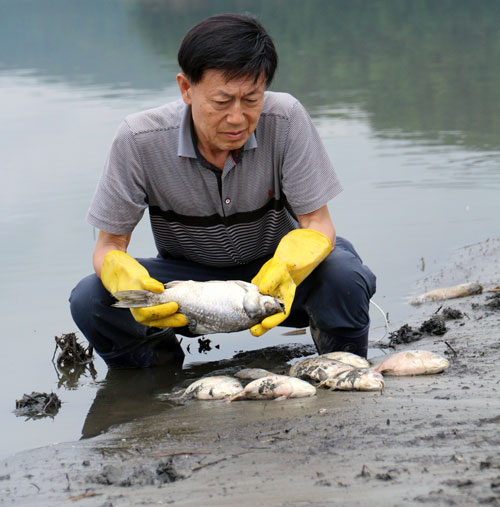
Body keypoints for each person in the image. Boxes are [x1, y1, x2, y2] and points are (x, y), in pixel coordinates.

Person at [69, 13, 376, 369]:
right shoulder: (139, 139)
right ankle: (153, 385)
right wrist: (126, 278)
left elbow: (318, 224)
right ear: (186, 88)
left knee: (342, 273)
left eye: (251, 99)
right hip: (188, 286)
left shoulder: (286, 118)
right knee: (91, 299)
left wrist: (288, 266)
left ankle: (345, 369)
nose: (237, 117)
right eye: (222, 101)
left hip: (276, 279)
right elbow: (109, 245)